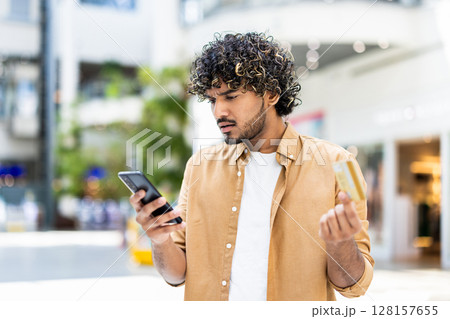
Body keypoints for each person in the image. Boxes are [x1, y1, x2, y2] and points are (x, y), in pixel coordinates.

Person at [129, 32, 374, 301]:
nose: (218, 111)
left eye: (231, 96)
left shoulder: (343, 164)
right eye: (213, 100)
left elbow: (355, 286)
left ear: (271, 94)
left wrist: (340, 242)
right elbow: (176, 275)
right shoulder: (198, 167)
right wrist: (160, 239)